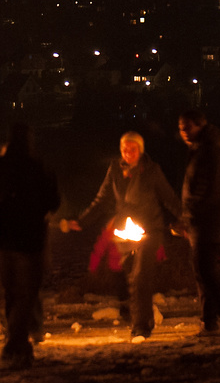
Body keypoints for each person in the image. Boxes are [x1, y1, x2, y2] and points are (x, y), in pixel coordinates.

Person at [61, 131, 180, 344]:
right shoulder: (115, 169)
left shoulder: (152, 170)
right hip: (124, 233)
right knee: (132, 280)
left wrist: (186, 219)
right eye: (124, 149)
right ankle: (145, 319)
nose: (128, 153)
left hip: (149, 230)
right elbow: (102, 199)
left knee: (142, 275)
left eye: (132, 149)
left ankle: (140, 328)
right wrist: (82, 221)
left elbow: (169, 197)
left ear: (140, 150)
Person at [0, 122, 61, 367]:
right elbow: (53, 201)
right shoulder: (38, 168)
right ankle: (15, 345)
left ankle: (18, 343)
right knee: (27, 294)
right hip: (29, 240)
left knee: (11, 292)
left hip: (1, 242)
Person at [176, 110, 220, 339]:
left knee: (206, 272)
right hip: (203, 222)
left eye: (187, 127)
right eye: (181, 127)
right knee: (204, 272)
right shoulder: (201, 149)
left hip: (209, 222)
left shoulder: (210, 151)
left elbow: (206, 190)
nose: (183, 132)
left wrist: (188, 217)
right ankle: (210, 322)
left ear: (200, 124)